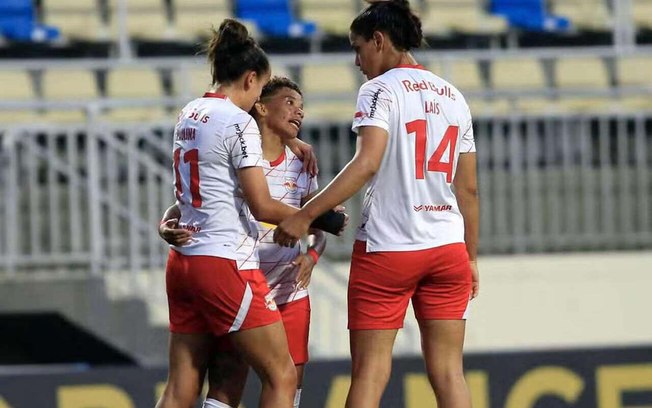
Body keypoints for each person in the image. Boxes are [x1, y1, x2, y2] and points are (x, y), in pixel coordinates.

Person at [272, 1, 480, 407]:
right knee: (449, 372)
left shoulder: (379, 89)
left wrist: (306, 214)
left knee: (370, 372)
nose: (356, 60)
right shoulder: (455, 96)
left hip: (390, 247)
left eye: (358, 47)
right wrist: (470, 256)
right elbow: (468, 190)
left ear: (380, 41)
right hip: (448, 249)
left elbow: (366, 163)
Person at [156, 19, 337, 408]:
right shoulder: (238, 122)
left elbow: (196, 189)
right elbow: (262, 205)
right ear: (251, 79)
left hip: (183, 259)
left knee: (180, 387)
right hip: (225, 262)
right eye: (260, 88)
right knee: (282, 375)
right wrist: (318, 215)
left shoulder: (189, 112)